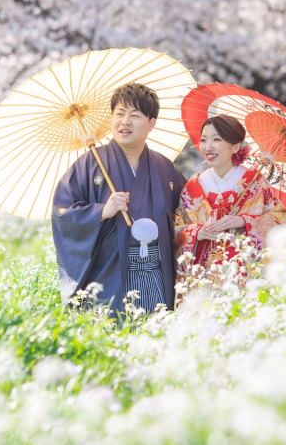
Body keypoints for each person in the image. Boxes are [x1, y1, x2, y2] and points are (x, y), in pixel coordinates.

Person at [52, 82, 187, 316]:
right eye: (119, 113)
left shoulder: (164, 167)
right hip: (109, 273)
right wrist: (101, 212)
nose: (125, 121)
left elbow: (186, 212)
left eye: (135, 115)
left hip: (156, 270)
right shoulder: (89, 165)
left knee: (155, 328)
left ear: (151, 123)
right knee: (113, 329)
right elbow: (62, 214)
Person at [173, 114, 286, 284]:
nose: (208, 147)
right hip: (203, 278)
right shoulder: (192, 187)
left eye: (216, 139)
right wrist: (197, 233)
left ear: (235, 147)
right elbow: (176, 227)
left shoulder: (256, 183)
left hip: (245, 276)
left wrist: (244, 221)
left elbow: (282, 221)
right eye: (204, 140)